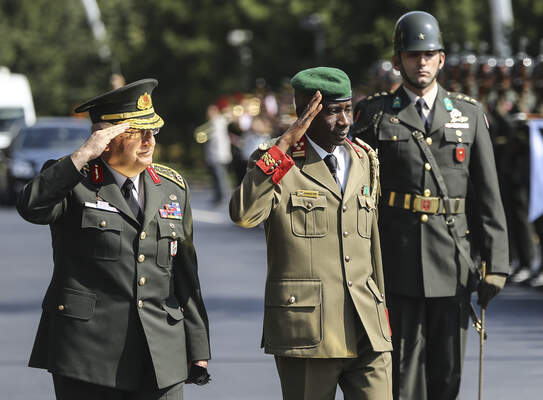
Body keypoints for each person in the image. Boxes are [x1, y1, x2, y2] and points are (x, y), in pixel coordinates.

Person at [17, 79, 210, 399]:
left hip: (160, 351)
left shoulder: (172, 187)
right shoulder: (73, 182)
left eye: (153, 131)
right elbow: (32, 207)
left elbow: (185, 275)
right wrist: (81, 156)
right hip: (88, 354)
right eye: (138, 132)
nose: (149, 141)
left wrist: (197, 346)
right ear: (105, 138)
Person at [352, 11, 509, 400]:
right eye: (412, 54)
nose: (420, 62)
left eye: (428, 54)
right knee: (401, 370)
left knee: (448, 372)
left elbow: (487, 196)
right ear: (397, 60)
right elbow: (356, 194)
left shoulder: (468, 115)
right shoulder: (375, 115)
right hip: (396, 260)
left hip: (452, 259)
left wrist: (498, 264)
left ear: (441, 59)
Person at [230, 67, 393, 400]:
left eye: (348, 109)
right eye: (333, 112)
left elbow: (371, 249)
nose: (345, 120)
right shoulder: (279, 163)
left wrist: (383, 315)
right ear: (306, 113)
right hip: (308, 331)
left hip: (367, 326)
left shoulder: (363, 159)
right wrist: (284, 145)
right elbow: (243, 214)